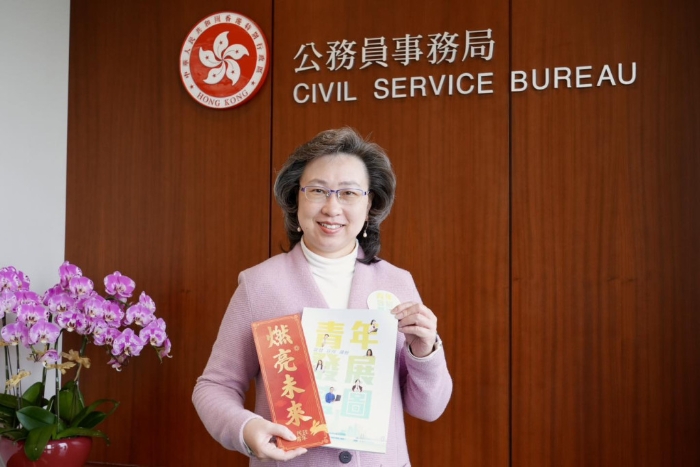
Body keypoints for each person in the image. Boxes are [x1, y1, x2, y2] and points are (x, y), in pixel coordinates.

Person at [192, 127, 452, 466]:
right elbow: (214, 386)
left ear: (370, 203)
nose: (332, 207)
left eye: (348, 193)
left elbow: (428, 409)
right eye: (317, 190)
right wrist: (247, 429)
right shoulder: (259, 285)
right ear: (295, 199)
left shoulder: (397, 283)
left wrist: (425, 351)